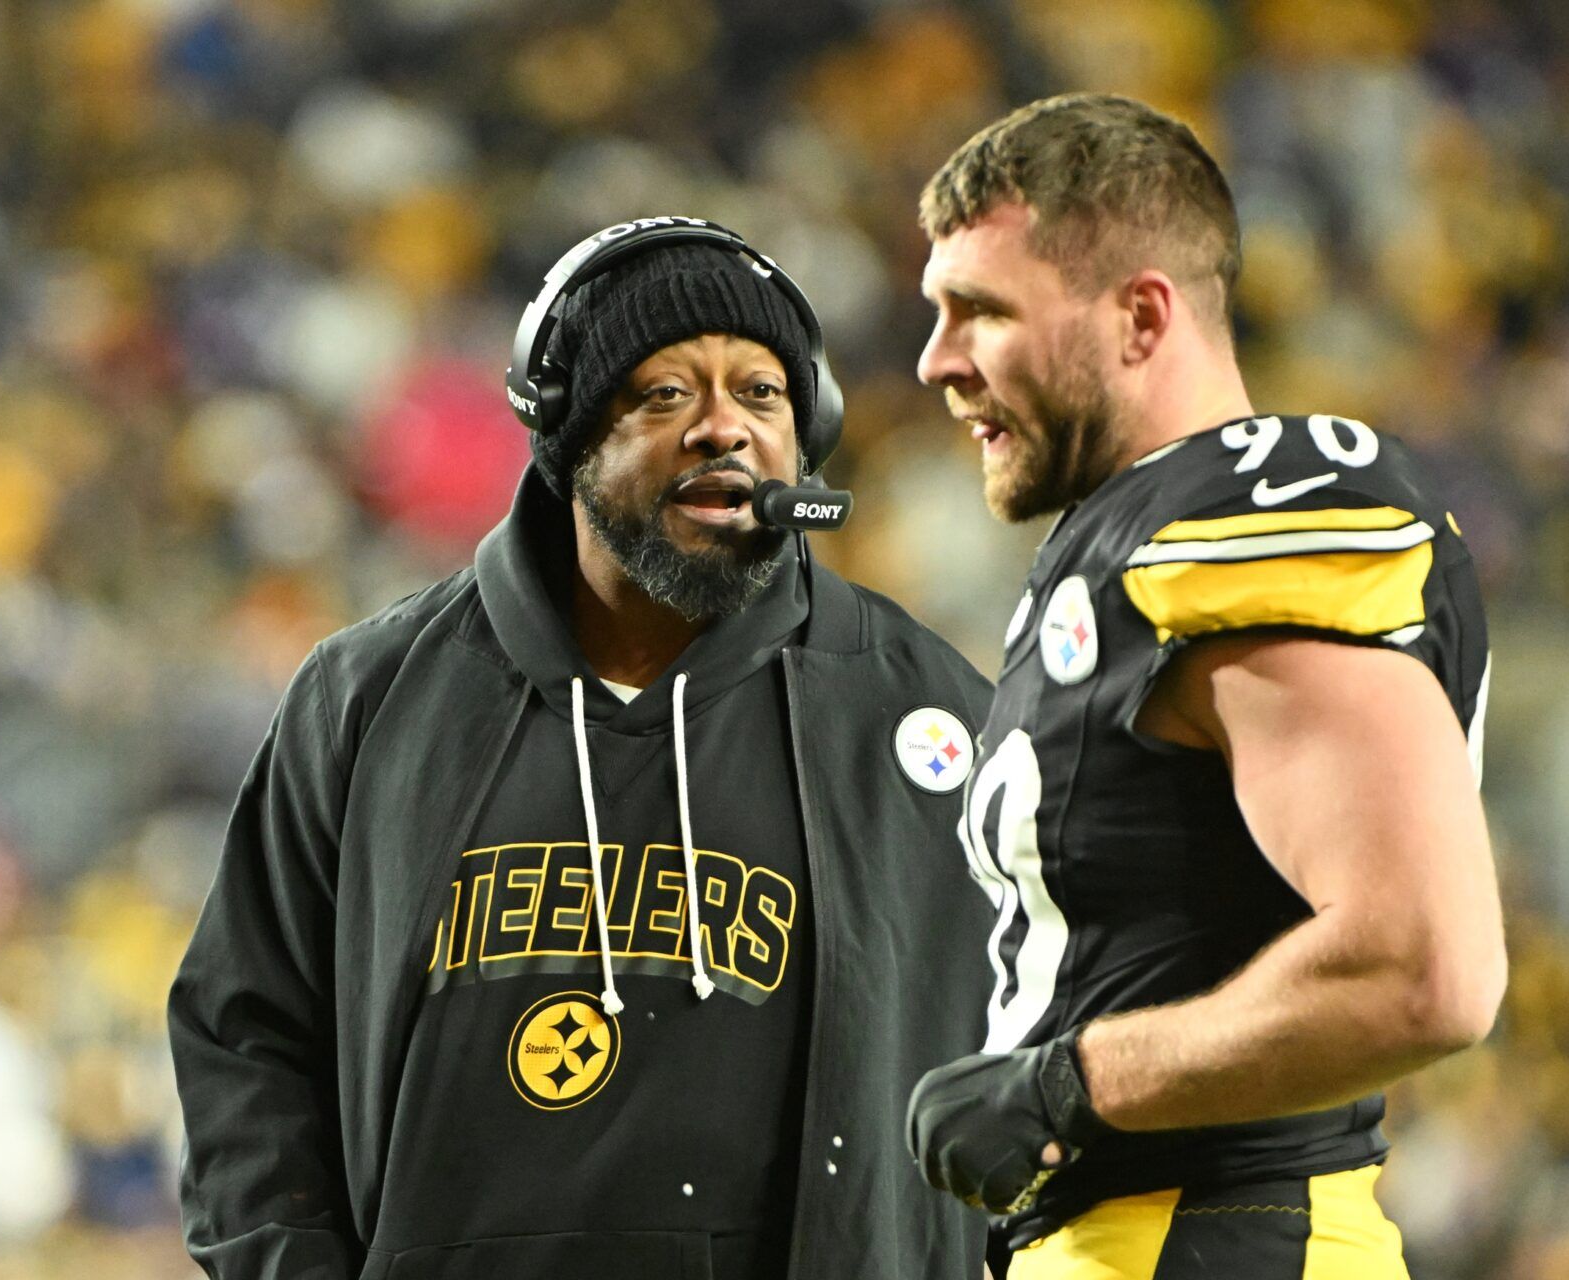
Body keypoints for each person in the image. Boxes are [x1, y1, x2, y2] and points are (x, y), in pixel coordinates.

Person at [169, 217, 993, 1280]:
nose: (722, 429)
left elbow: (1023, 1072)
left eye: (762, 393)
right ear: (566, 432)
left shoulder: (923, 714)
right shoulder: (368, 696)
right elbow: (247, 1037)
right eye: (664, 394)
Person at [904, 94, 1506, 1277]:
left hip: (1214, 1233)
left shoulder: (1251, 515)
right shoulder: (1125, 539)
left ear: (1141, 315)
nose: (936, 359)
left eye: (979, 310)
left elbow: (1425, 966)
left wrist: (1072, 1081)